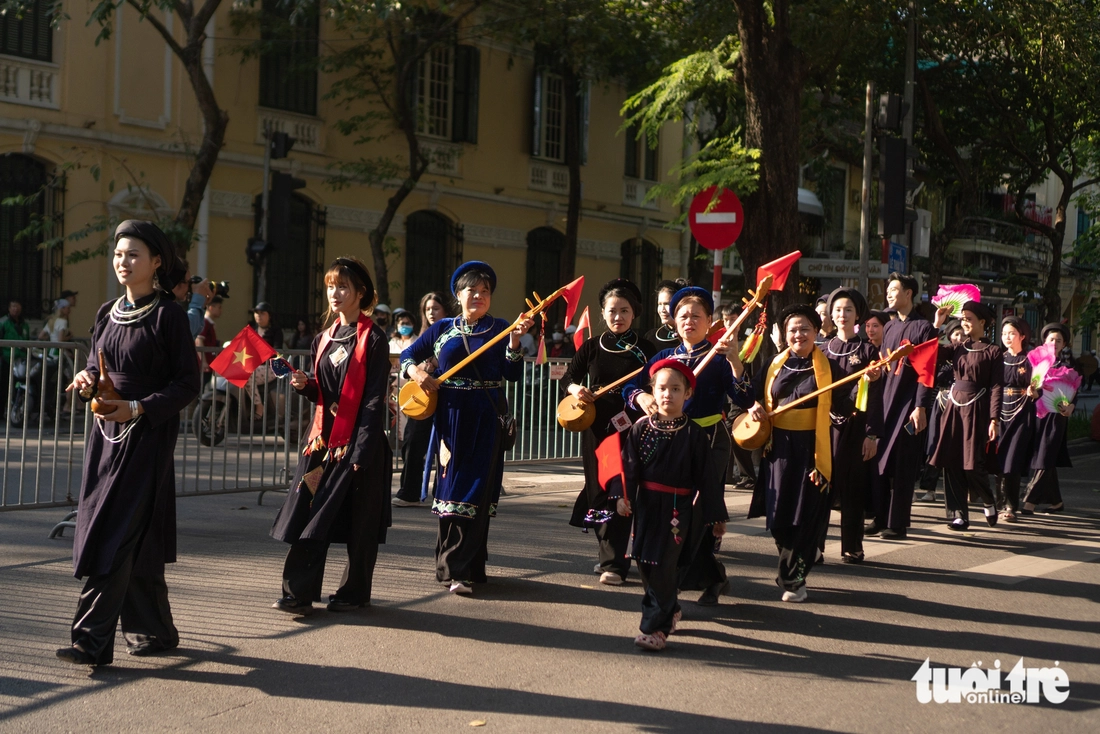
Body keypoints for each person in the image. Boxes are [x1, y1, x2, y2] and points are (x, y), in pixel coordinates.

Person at [57, 220, 200, 666]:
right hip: (106, 438)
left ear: (156, 262)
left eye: (133, 254)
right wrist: (86, 379)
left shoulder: (168, 315)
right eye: (119, 253)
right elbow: (95, 364)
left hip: (146, 438)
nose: (124, 261)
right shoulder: (107, 312)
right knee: (137, 535)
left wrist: (137, 408)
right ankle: (153, 630)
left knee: (114, 532)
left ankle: (90, 641)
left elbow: (188, 383)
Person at [270, 257, 393, 615]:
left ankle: (354, 592)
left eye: (342, 286)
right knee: (310, 512)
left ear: (361, 293)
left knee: (360, 522)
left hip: (360, 444)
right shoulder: (322, 338)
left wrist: (362, 451)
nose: (334, 293)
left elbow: (374, 399)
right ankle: (297, 592)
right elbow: (324, 391)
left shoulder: (375, 339)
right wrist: (305, 385)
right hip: (322, 444)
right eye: (330, 286)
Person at [400, 262, 532, 594]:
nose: (479, 296)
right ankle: (450, 566)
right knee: (451, 489)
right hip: (451, 418)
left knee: (478, 490)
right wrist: (418, 373)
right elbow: (408, 355)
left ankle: (466, 568)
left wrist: (515, 342)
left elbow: (512, 374)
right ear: (458, 295)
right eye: (472, 290)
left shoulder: (500, 328)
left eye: (485, 291)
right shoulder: (442, 328)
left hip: (487, 417)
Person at [624, 286, 751, 606]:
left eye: (696, 316)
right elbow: (630, 387)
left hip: (709, 440)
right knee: (674, 514)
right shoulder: (663, 359)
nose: (689, 321)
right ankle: (682, 578)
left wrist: (735, 360)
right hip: (670, 441)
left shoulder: (719, 357)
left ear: (709, 321)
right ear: (674, 321)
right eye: (683, 316)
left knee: (700, 512)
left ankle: (703, 577)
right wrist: (642, 396)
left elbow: (745, 397)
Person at [609, 360, 719, 651]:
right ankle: (669, 608)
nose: (668, 394)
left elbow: (707, 478)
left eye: (676, 389)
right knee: (645, 562)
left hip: (677, 510)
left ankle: (655, 628)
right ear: (652, 391)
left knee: (664, 565)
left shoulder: (695, 434)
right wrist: (622, 496)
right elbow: (627, 467)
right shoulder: (640, 428)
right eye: (662, 388)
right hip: (645, 506)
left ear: (688, 394)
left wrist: (715, 517)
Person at [747, 305, 850, 602]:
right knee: (779, 517)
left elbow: (846, 406)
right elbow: (751, 394)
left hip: (812, 450)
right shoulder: (773, 364)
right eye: (792, 329)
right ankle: (798, 559)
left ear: (816, 331)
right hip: (777, 449)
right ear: (784, 334)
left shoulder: (831, 369)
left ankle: (793, 579)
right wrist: (753, 406)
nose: (799, 334)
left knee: (805, 516)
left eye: (805, 328)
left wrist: (869, 383)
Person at [563, 278, 656, 585]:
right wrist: (577, 390)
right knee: (599, 489)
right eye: (612, 311)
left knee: (622, 490)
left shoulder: (646, 349)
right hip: (596, 427)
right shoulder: (592, 346)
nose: (618, 316)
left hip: (632, 428)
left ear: (634, 313)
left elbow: (657, 382)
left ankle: (614, 564)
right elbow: (568, 378)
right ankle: (608, 553)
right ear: (603, 313)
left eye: (624, 310)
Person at [868, 273, 938, 540]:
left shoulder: (924, 328)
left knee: (902, 465)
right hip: (886, 401)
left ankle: (897, 524)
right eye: (887, 289)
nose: (888, 293)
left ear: (908, 293)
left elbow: (927, 371)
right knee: (880, 461)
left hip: (908, 405)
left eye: (894, 289)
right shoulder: (889, 327)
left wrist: (920, 406)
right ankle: (879, 517)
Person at [930, 300, 1003, 531]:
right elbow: (932, 353)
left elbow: (997, 387)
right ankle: (958, 515)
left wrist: (994, 419)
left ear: (982, 322)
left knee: (973, 463)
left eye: (969, 319)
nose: (964, 323)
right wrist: (937, 324)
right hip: (954, 408)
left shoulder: (993, 351)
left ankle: (988, 499)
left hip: (977, 409)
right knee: (951, 460)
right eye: (963, 319)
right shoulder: (958, 347)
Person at [823, 288, 883, 564]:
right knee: (821, 486)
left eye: (848, 310)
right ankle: (815, 544)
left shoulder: (869, 351)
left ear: (858, 314)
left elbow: (876, 397)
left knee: (853, 489)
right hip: (825, 426)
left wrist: (872, 434)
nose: (842, 315)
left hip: (857, 427)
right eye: (837, 309)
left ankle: (852, 546)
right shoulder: (821, 348)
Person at [393, 292, 451, 507]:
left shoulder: (453, 332)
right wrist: (418, 369)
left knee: (445, 444)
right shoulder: (422, 336)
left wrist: (436, 363)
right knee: (412, 441)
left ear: (445, 310)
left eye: (435, 308)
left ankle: (443, 493)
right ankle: (410, 492)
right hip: (422, 397)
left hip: (447, 396)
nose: (431, 313)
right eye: (427, 309)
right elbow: (407, 358)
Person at [1021, 323, 1077, 514]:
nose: (1054, 343)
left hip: (1056, 417)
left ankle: (1030, 501)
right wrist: (1030, 392)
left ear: (1064, 345)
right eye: (1051, 339)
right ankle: (1056, 501)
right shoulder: (1034, 363)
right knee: (1043, 456)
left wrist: (1070, 406)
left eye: (1059, 340)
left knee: (1045, 456)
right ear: (1044, 341)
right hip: (1035, 415)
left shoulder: (1067, 367)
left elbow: (1074, 394)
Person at [917, 319, 964, 503]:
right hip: (941, 403)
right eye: (956, 334)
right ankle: (929, 489)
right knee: (934, 444)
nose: (960, 337)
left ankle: (965, 489)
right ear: (949, 336)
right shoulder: (942, 355)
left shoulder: (970, 355)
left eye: (963, 334)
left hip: (961, 406)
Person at [995, 316, 1035, 523]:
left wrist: (1034, 392)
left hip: (1021, 415)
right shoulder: (997, 358)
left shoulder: (1031, 360)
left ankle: (1010, 505)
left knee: (1012, 460)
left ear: (1022, 336)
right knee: (998, 460)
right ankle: (998, 503)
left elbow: (1040, 388)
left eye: (1012, 333)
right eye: (1004, 333)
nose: (1007, 337)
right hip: (1000, 414)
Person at [171, 261, 214, 339]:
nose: (190, 287)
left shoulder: (171, 306)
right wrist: (198, 300)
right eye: (188, 282)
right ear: (175, 283)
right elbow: (185, 330)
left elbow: (191, 335)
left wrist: (202, 305)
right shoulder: (163, 307)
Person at [644, 279, 688, 349]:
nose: (662, 310)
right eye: (659, 304)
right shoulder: (650, 337)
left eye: (667, 304)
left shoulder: (690, 337)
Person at [195, 296, 222, 372]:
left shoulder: (210, 323)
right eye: (219, 307)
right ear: (211, 308)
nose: (221, 310)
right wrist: (203, 361)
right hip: (204, 366)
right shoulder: (205, 322)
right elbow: (199, 340)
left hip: (209, 363)